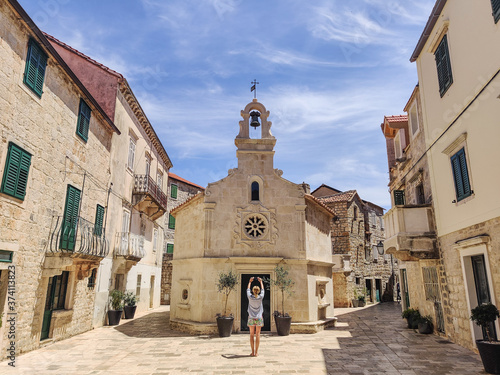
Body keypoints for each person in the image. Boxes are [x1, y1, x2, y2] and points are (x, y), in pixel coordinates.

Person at [247, 276, 264, 357]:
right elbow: (263, 290)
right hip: (259, 318)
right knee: (257, 335)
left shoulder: (250, 297)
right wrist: (261, 282)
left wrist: (250, 282)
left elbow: (247, 290)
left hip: (251, 318)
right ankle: (256, 352)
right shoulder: (260, 297)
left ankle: (252, 352)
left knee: (251, 335)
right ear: (258, 291)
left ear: (253, 291)